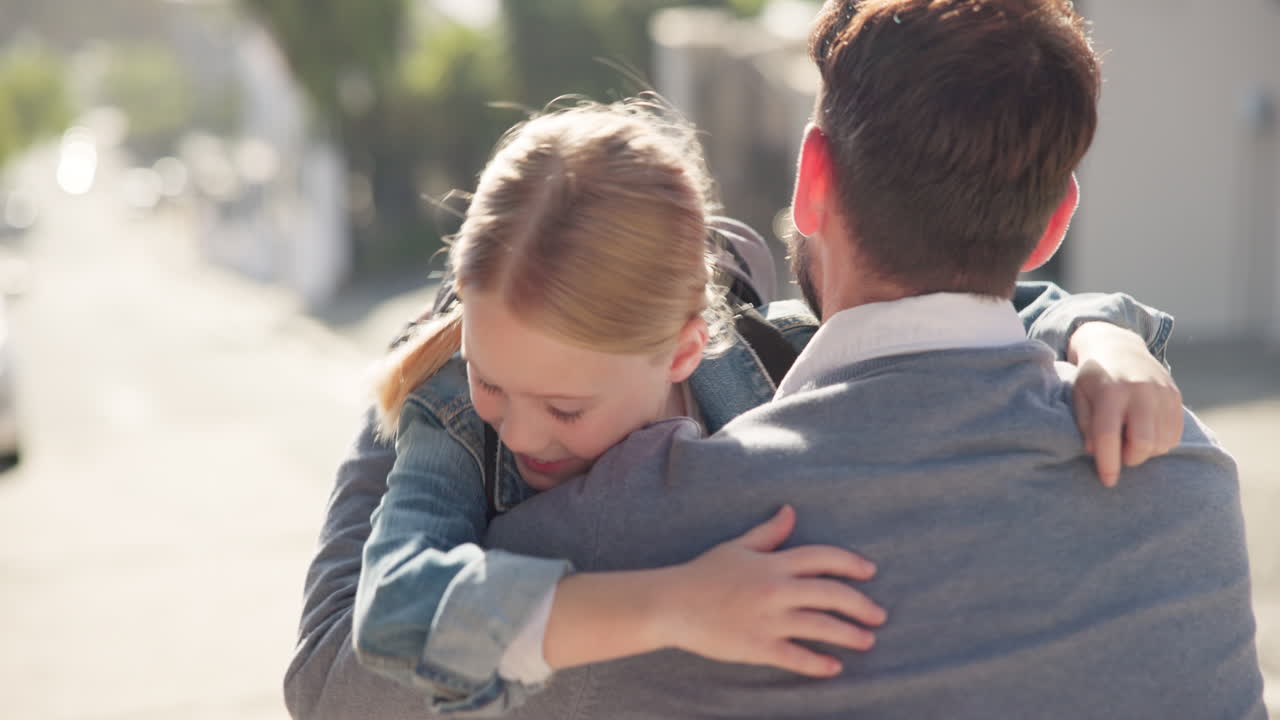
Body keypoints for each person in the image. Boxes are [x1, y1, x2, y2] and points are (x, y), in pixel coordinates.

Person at [465, 0, 1265, 717]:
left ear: (811, 177)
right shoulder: (1184, 478)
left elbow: (397, 665)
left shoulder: (619, 536)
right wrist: (1100, 328)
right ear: (1052, 227)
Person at [286, 102, 1191, 720]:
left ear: (685, 349)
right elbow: (395, 616)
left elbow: (973, 310)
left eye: (564, 405)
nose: (517, 432)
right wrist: (672, 605)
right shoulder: (449, 415)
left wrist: (1104, 337)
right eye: (492, 378)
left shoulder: (777, 355)